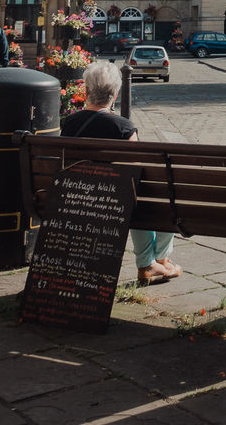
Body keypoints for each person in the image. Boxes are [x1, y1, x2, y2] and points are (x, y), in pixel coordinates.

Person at [61, 59, 182, 286]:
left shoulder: (69, 124)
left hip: (75, 198)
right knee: (149, 200)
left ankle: (156, 263)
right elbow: (135, 176)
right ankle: (151, 262)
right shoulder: (123, 128)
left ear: (86, 91)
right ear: (115, 95)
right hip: (113, 204)